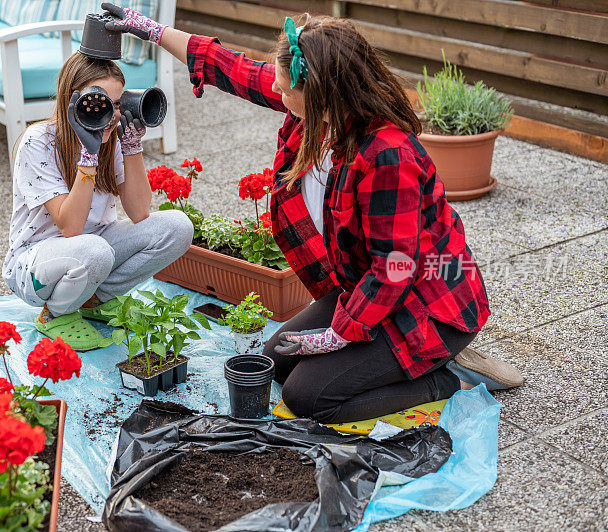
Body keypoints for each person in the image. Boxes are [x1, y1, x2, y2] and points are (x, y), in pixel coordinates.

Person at [103, 4, 524, 423]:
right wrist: (151, 31)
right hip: (367, 287)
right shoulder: (319, 110)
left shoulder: (387, 156)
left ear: (321, 91)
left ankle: (446, 376)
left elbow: (395, 268)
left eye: (286, 89)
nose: (278, 93)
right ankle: (406, 358)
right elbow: (230, 67)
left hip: (426, 300)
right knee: (276, 364)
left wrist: (337, 335)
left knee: (310, 398)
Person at [2, 53, 193, 351]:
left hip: (93, 251)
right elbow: (71, 227)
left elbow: (140, 211)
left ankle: (93, 301)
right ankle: (55, 314)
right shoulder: (37, 141)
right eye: (99, 104)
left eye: (117, 104)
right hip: (34, 266)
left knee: (177, 227)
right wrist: (87, 157)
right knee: (95, 250)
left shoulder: (111, 137)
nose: (112, 115)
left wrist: (131, 146)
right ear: (72, 102)